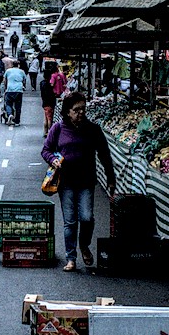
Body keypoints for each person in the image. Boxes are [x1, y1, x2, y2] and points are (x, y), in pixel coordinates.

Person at [43, 91, 116, 271]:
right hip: (65, 182)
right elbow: (46, 150)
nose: (81, 112)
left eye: (83, 109)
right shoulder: (58, 129)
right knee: (70, 221)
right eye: (76, 110)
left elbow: (104, 154)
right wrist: (53, 159)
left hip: (86, 181)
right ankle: (71, 258)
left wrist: (111, 178)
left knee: (86, 217)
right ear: (68, 111)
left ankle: (84, 244)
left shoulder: (93, 129)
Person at [2, 60, 30, 126]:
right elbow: (24, 80)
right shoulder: (22, 71)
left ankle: (9, 114)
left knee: (8, 104)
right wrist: (23, 86)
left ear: (12, 65)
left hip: (10, 89)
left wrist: (5, 88)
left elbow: (4, 80)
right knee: (18, 106)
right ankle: (17, 121)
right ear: (18, 65)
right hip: (19, 90)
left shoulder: (8, 71)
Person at [39, 66, 59, 135]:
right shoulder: (49, 85)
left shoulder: (42, 83)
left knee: (46, 117)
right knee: (49, 118)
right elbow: (52, 93)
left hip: (44, 101)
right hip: (50, 102)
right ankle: (50, 132)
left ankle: (45, 131)